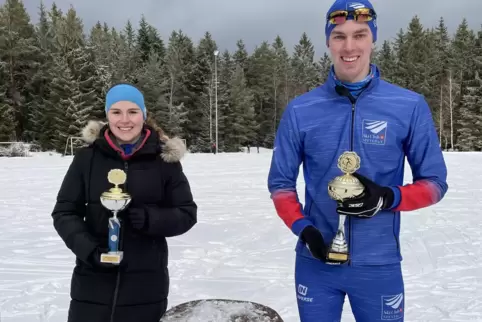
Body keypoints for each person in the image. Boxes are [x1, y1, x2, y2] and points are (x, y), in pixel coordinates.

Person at [267, 1, 448, 321]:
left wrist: (389, 196)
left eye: (359, 35)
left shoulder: (408, 106)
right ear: (327, 41)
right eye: (339, 36)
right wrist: (304, 230)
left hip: (379, 266)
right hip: (315, 264)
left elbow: (434, 184)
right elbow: (281, 185)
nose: (349, 47)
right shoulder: (300, 110)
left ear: (373, 39)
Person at [52, 83, 197, 322]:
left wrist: (151, 219)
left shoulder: (164, 161)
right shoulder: (86, 159)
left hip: (146, 285)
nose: (125, 120)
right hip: (92, 284)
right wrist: (90, 251)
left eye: (133, 111)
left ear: (144, 114)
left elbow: (186, 213)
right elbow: (65, 212)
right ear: (107, 115)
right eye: (116, 112)